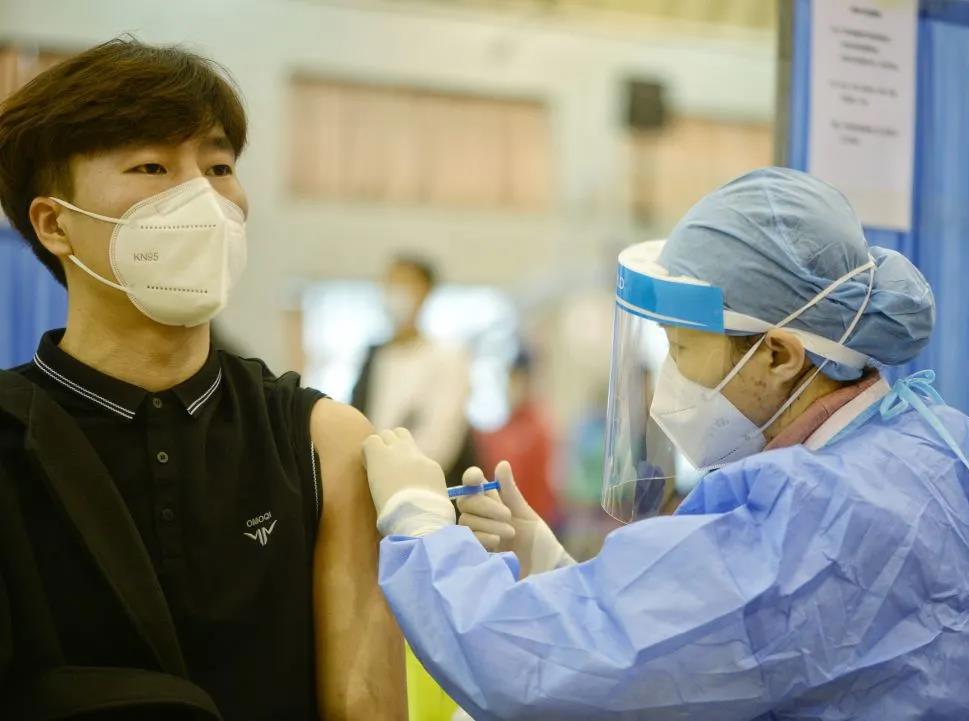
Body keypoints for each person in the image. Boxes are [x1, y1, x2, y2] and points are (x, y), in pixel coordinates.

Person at [361, 168, 969, 720]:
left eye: (683, 349)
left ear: (779, 355)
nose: (670, 378)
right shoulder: (932, 448)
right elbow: (709, 648)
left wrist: (418, 522)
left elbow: (528, 671)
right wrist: (549, 563)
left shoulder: (808, 518)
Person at [0, 39, 405, 720]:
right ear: (55, 224)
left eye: (219, 167)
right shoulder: (13, 435)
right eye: (152, 166)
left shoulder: (320, 441)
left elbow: (365, 706)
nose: (202, 197)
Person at [350, 256, 474, 486]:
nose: (395, 293)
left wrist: (394, 479)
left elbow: (439, 441)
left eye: (405, 284)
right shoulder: (376, 356)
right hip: (371, 483)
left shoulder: (447, 356)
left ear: (425, 292)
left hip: (423, 487)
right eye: (390, 283)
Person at [473, 349, 559, 527]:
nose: (511, 388)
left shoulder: (538, 428)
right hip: (504, 522)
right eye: (510, 380)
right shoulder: (502, 430)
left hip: (533, 522)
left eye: (518, 380)